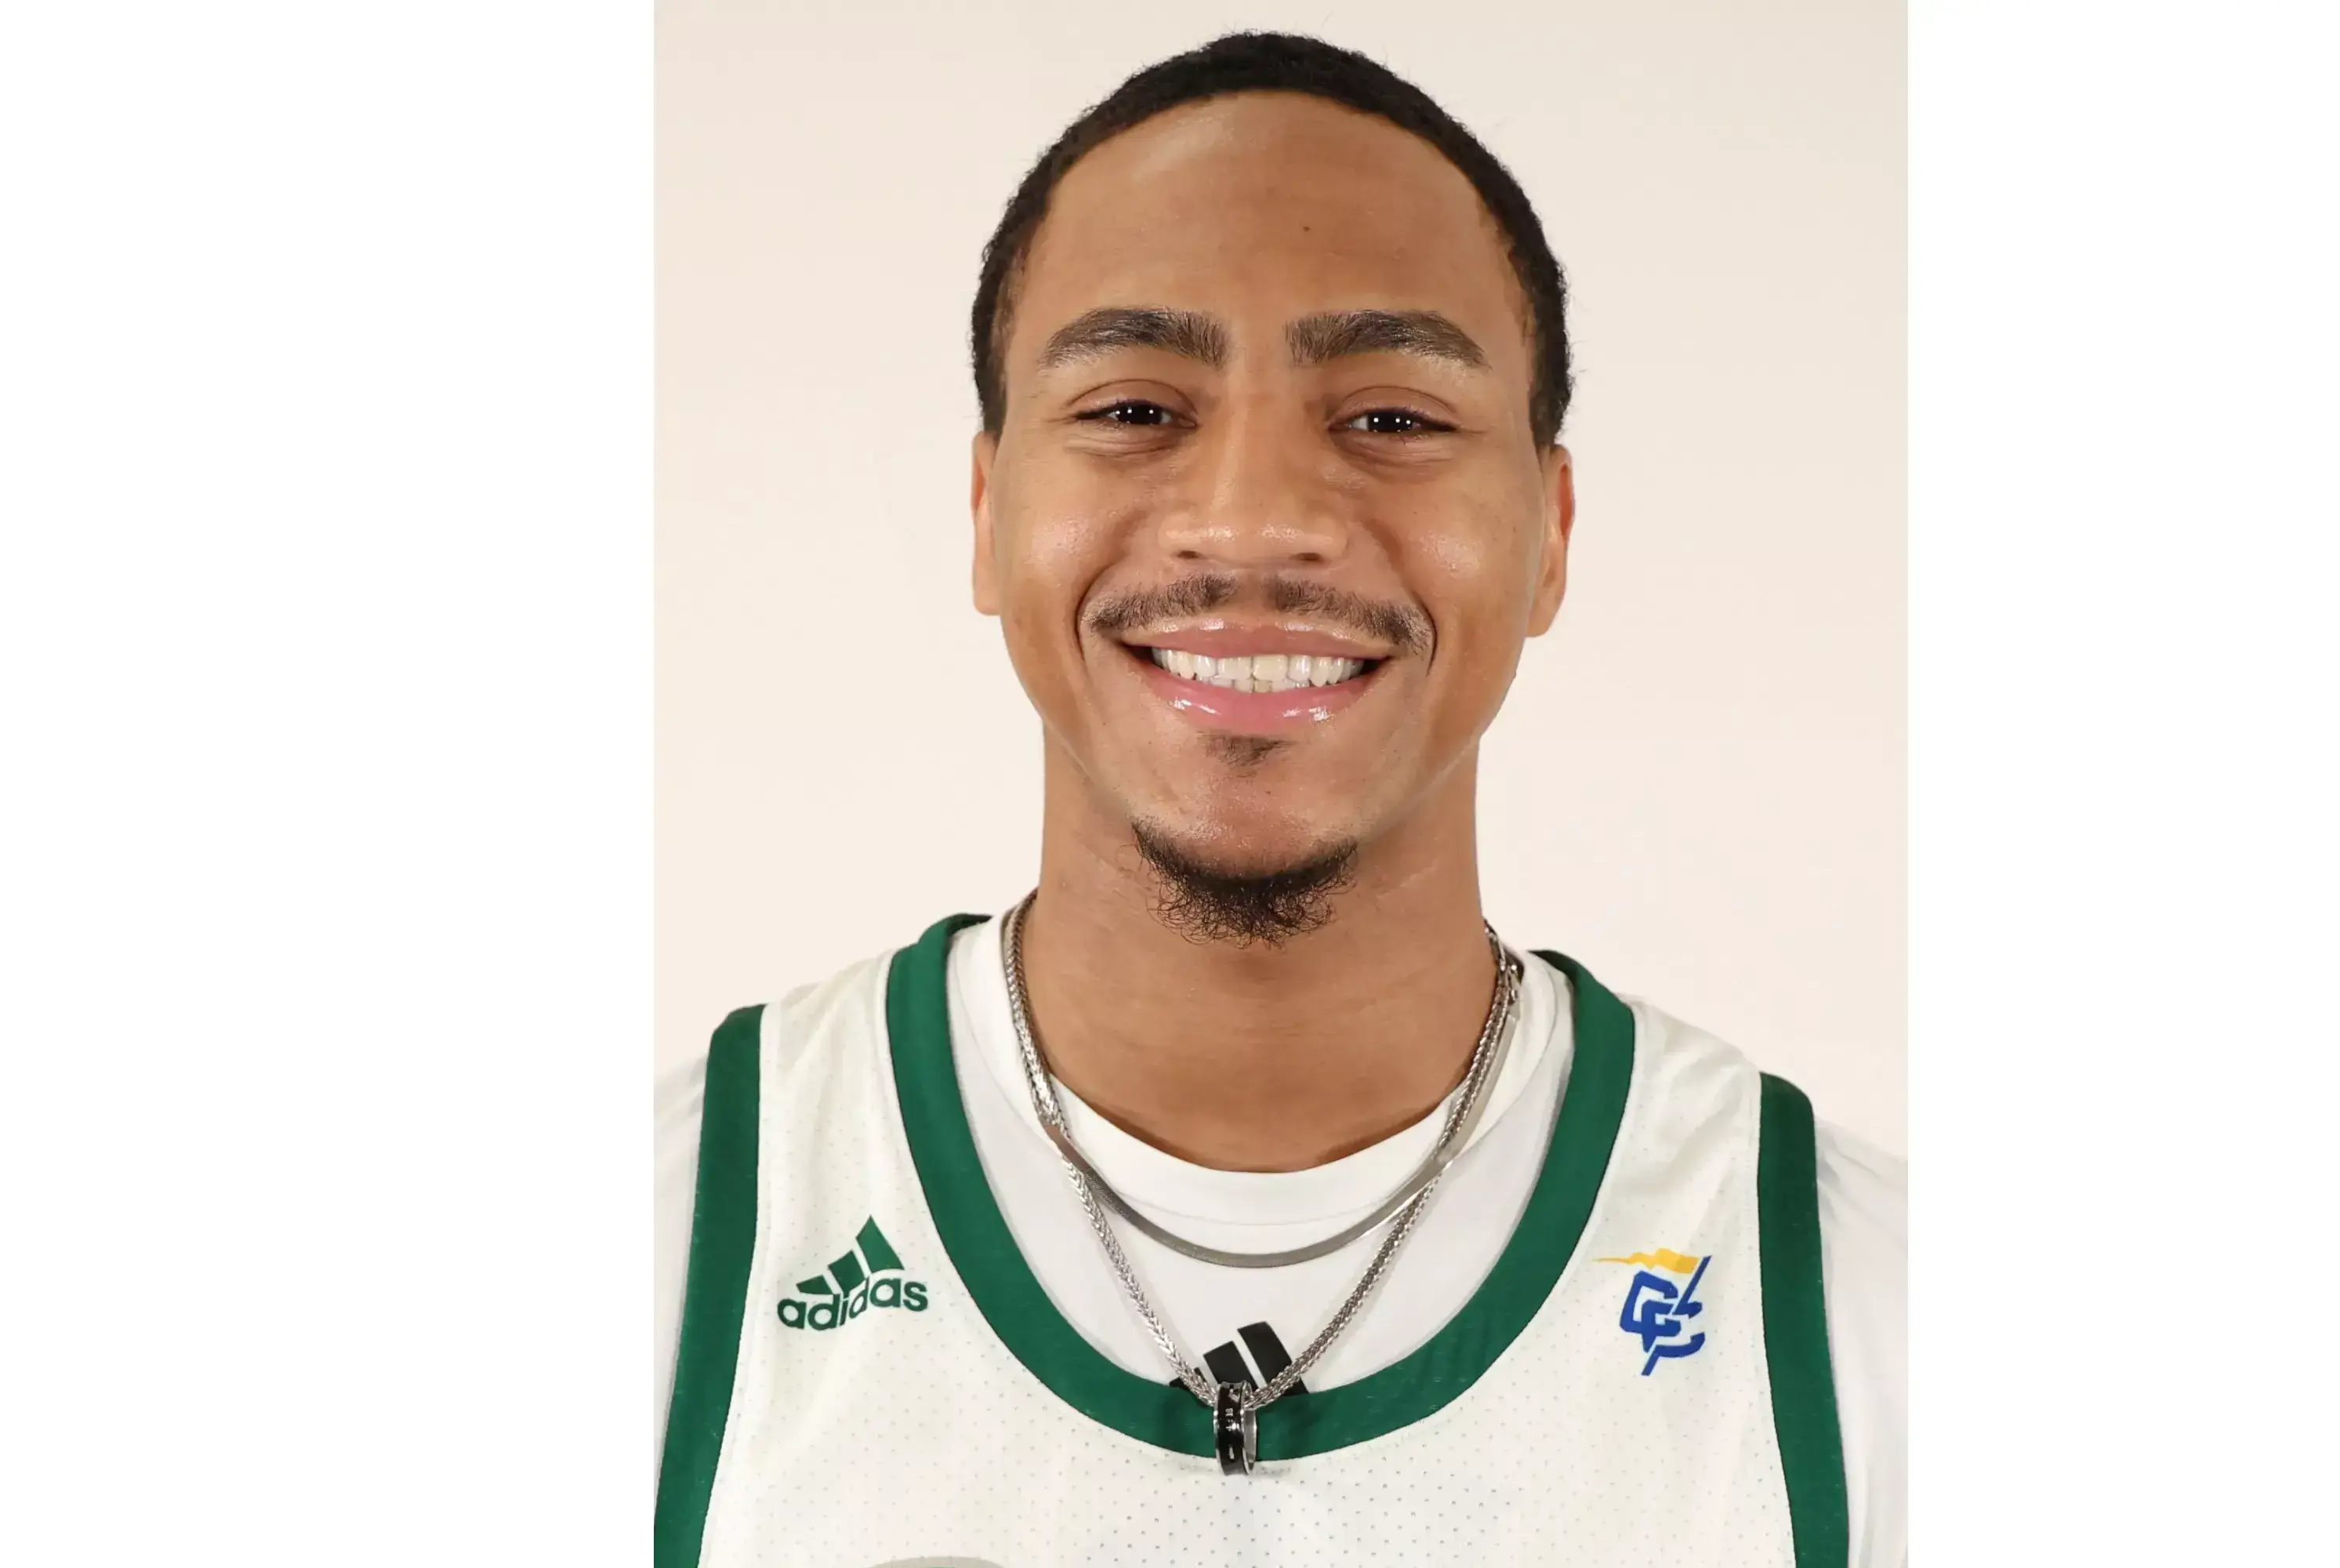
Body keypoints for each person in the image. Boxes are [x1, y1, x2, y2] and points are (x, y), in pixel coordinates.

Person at [657, 31, 1903, 1568]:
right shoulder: (670, 1247)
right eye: (1133, 410)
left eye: (1392, 419)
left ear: (1550, 534)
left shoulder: (1860, 1310)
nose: (1251, 518)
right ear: (987, 513)